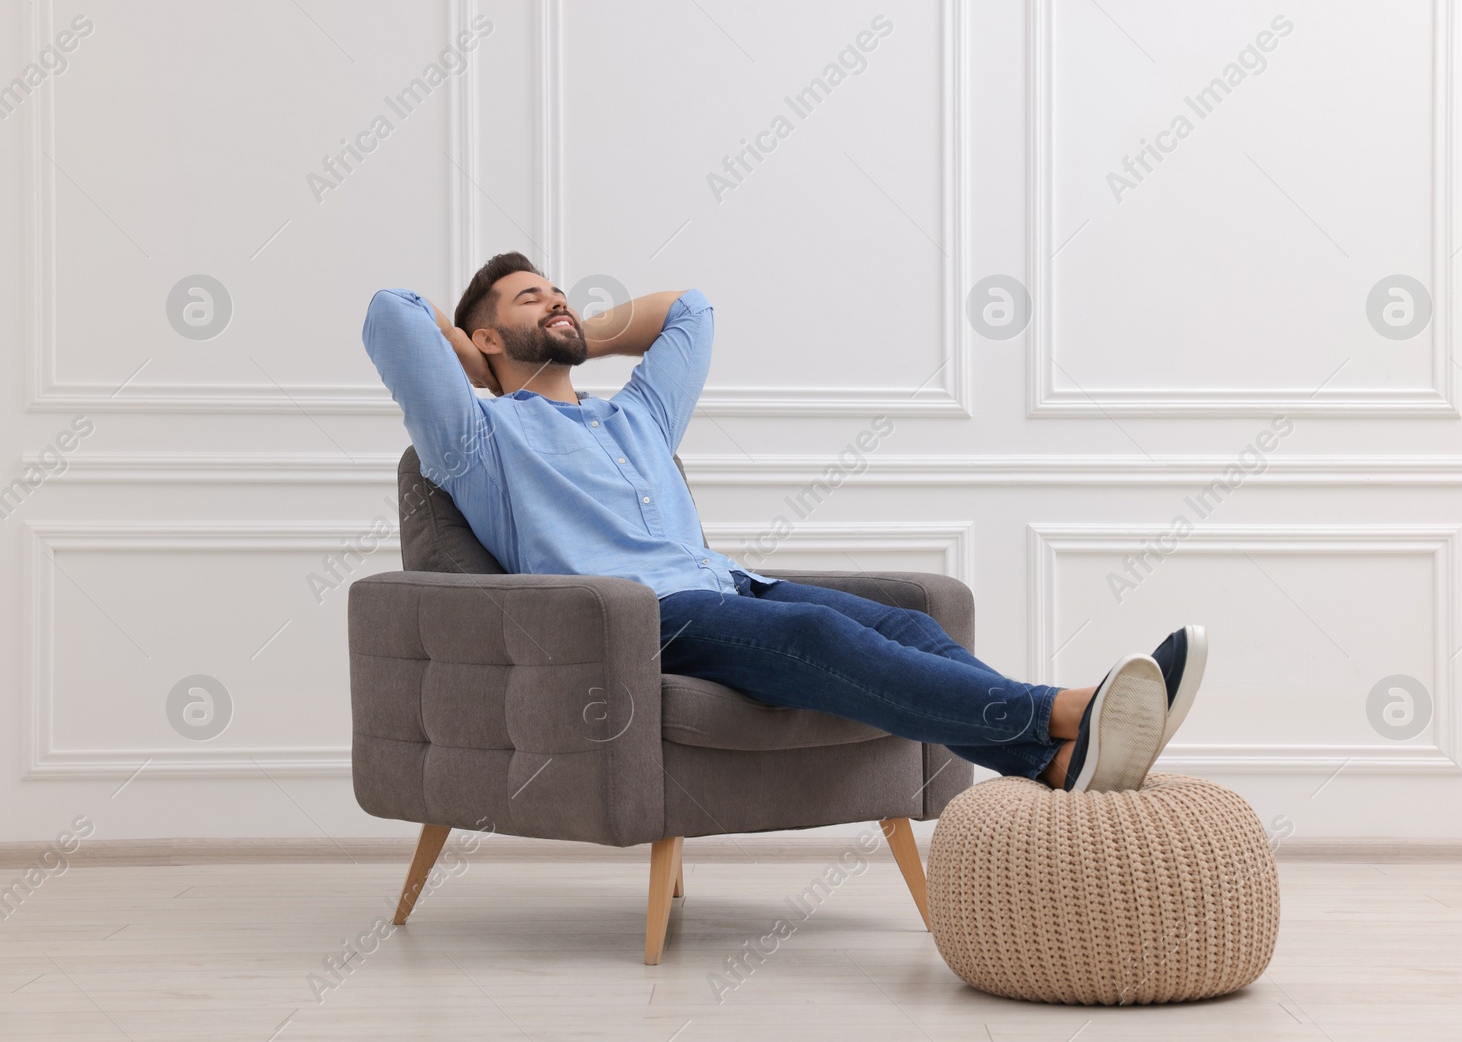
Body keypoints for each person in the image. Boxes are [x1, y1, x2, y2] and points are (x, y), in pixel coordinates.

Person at [361, 252, 1208, 791]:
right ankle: (1069, 707)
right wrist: (479, 360)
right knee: (816, 634)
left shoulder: (635, 418)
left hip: (726, 589)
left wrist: (565, 331)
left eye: (558, 291)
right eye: (527, 297)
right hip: (632, 618)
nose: (554, 300)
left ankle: (1058, 762)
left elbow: (692, 308)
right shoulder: (478, 440)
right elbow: (389, 313)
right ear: (481, 338)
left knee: (908, 621)